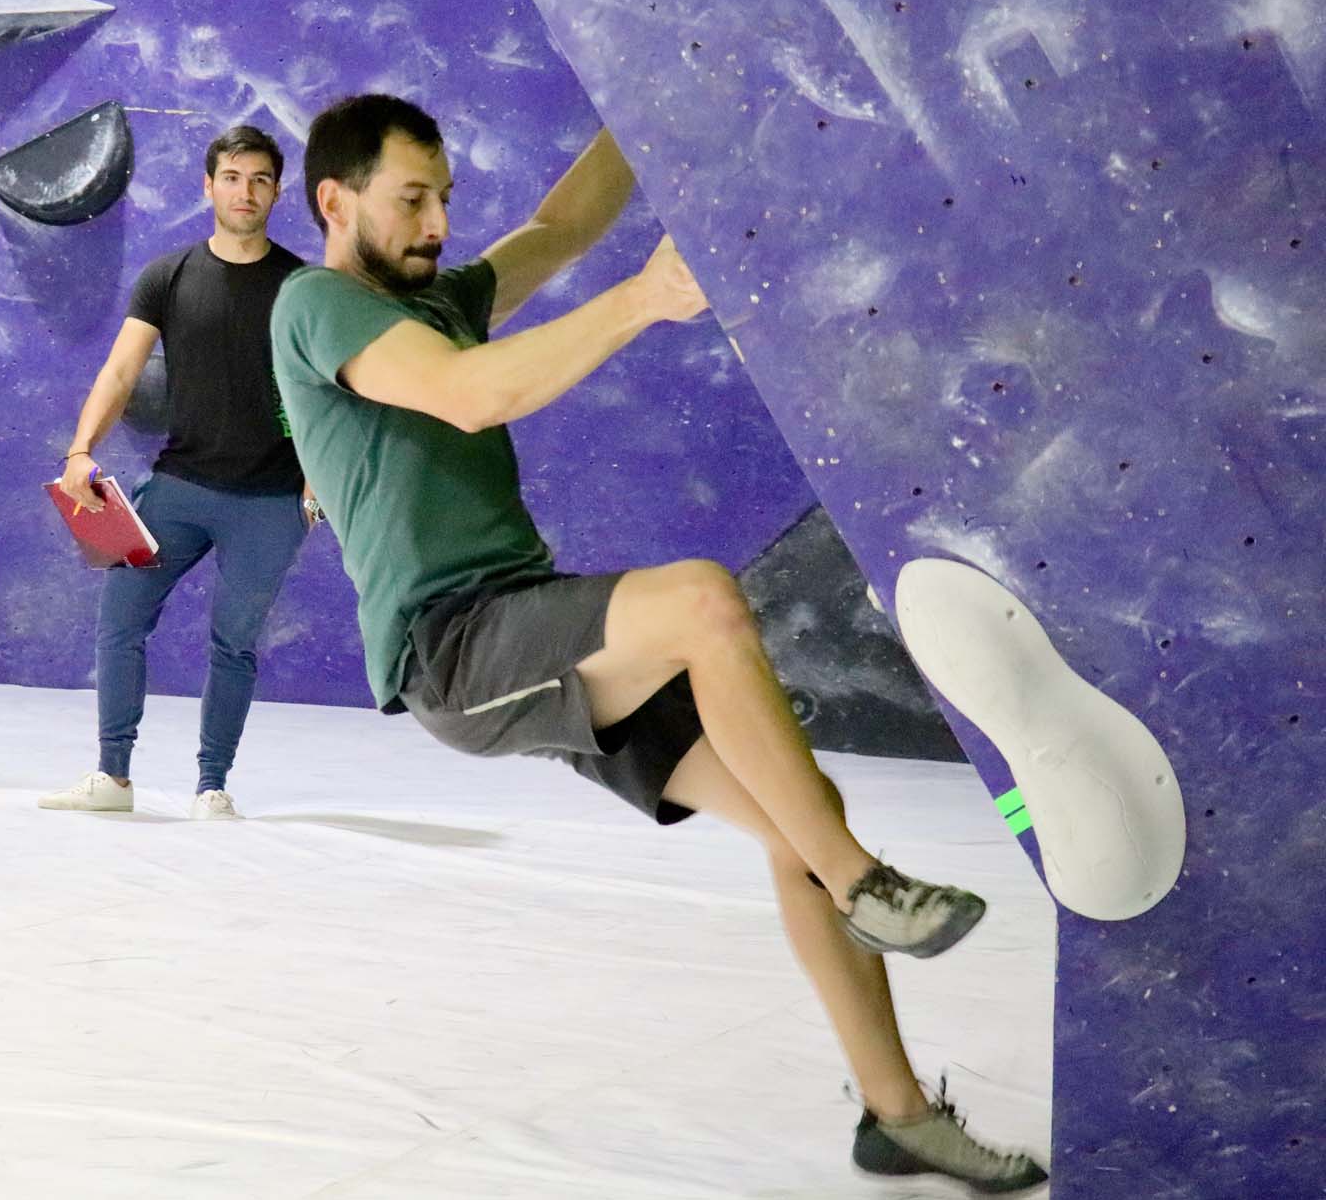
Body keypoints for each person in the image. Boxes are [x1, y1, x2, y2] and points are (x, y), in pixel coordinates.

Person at [270, 94, 1048, 1194]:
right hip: (453, 647)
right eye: (411, 200)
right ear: (333, 202)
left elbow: (562, 226)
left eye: (445, 196)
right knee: (701, 604)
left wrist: (645, 98)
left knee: (798, 812)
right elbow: (470, 396)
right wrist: (644, 299)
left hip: (526, 617)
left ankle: (897, 1115)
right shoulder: (315, 304)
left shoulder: (439, 296)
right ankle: (863, 885)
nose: (438, 222)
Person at [40, 124, 317, 821]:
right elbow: (121, 371)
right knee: (119, 621)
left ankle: (212, 787)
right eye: (232, 177)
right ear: (208, 186)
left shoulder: (302, 287)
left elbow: (328, 391)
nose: (245, 191)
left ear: (277, 192)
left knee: (234, 644)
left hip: (270, 502)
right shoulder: (167, 276)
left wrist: (320, 481)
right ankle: (112, 778)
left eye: (259, 180)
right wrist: (80, 451)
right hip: (178, 489)